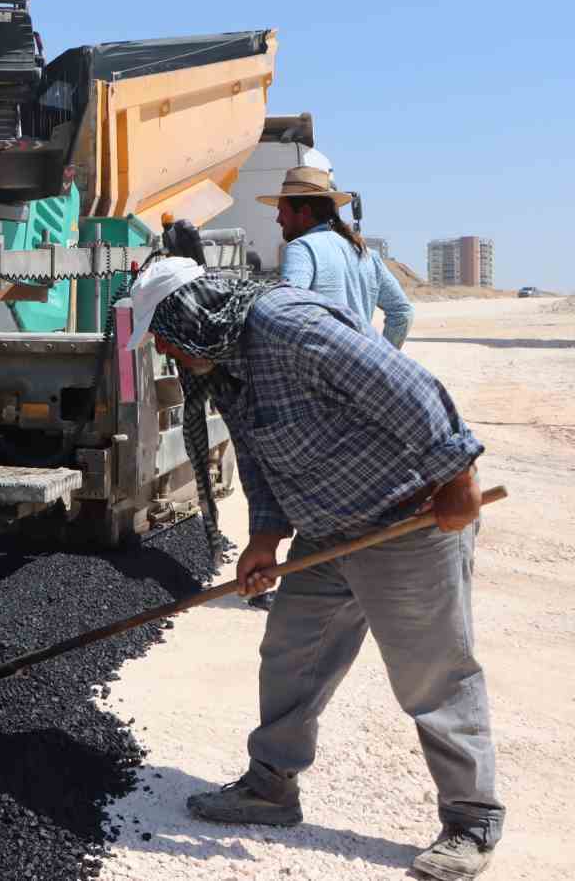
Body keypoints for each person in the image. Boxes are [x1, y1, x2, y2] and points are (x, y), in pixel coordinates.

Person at [125, 258, 503, 881]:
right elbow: (257, 456)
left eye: (161, 333)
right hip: (327, 532)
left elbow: (407, 388)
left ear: (188, 314)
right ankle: (271, 788)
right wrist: (264, 540)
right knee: (292, 656)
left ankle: (471, 820)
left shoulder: (285, 326)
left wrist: (457, 475)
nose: (162, 348)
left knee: (432, 675)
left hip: (404, 521)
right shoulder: (223, 366)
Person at [261, 165, 414, 348]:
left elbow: (287, 312)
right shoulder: (367, 254)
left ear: (305, 212)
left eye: (282, 211)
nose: (278, 219)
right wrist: (382, 358)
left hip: (319, 374)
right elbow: (402, 312)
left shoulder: (301, 248)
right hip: (361, 371)